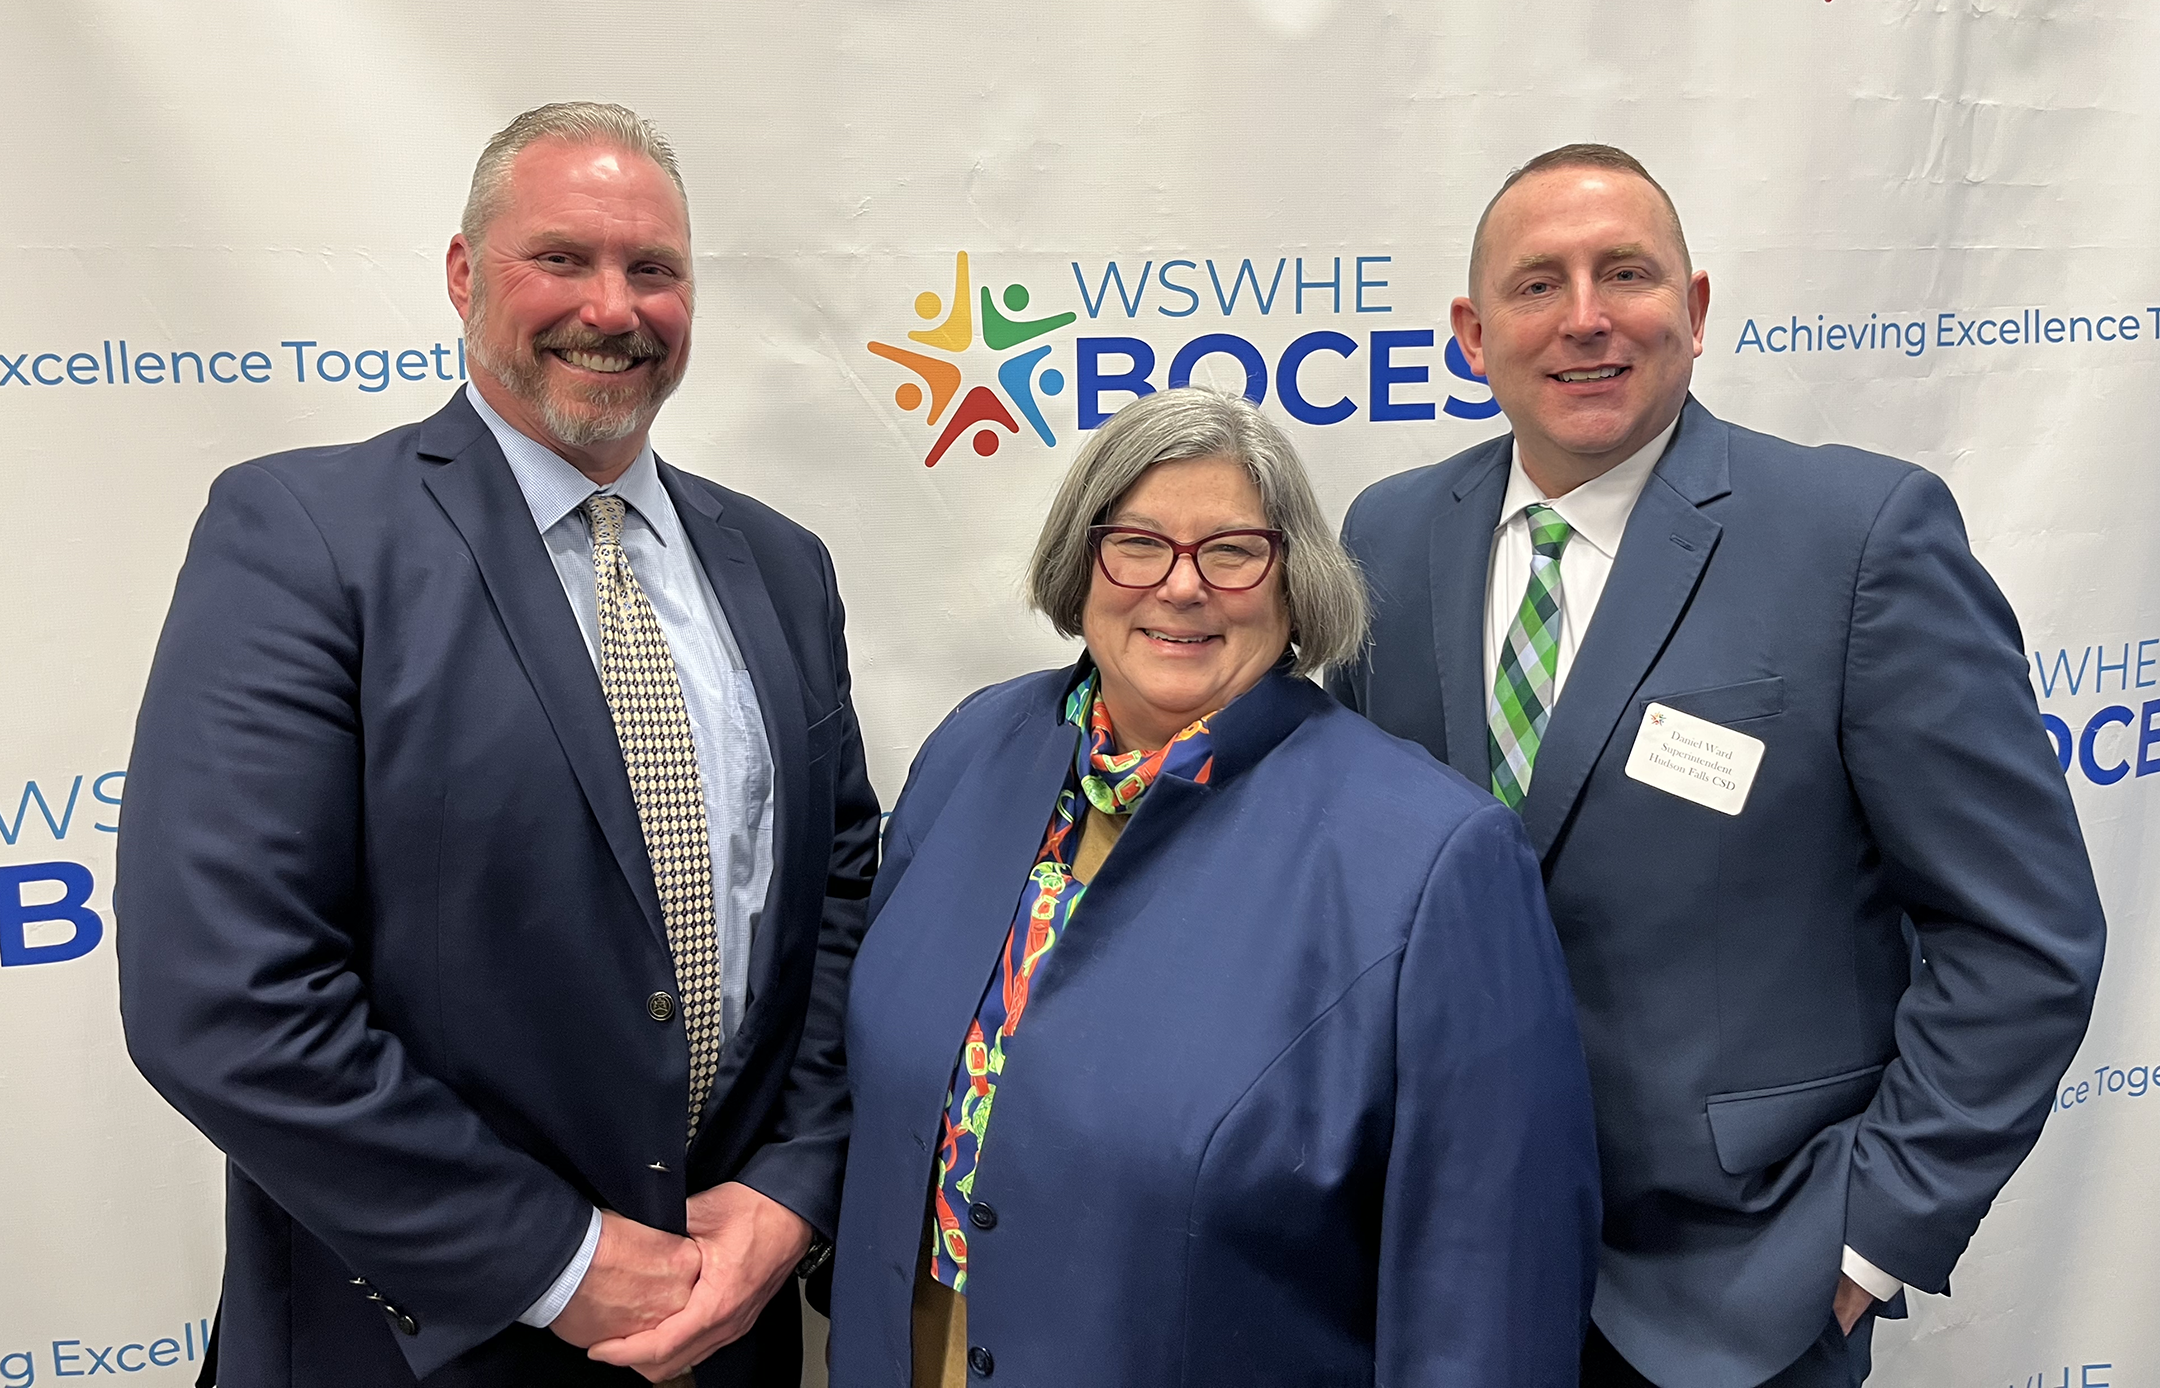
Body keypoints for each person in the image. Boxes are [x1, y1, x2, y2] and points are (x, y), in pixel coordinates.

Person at [115, 102, 878, 1387]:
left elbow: (844, 890)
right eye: (562, 258)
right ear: (465, 273)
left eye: (654, 269)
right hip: (416, 1342)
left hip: (726, 1330)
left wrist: (796, 1184)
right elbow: (223, 993)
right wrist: (561, 1261)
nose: (614, 307)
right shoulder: (304, 538)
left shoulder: (781, 565)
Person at [1330, 143, 2107, 1388]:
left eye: (1625, 272)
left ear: (1692, 312)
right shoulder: (1389, 535)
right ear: (1473, 334)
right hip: (1445, 1274)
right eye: (1539, 285)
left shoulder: (1857, 539)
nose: (1585, 316)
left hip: (1740, 1307)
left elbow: (2024, 933)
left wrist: (1873, 1234)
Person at [828, 386, 1601, 1387]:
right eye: (1138, 542)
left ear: (1296, 585)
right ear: (1081, 560)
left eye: (1233, 550)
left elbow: (1488, 1308)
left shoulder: (1436, 860)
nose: (1181, 587)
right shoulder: (975, 748)